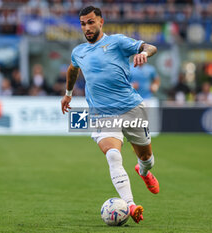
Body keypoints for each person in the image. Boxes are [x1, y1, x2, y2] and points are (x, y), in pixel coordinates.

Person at [60, 6, 159, 224]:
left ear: (101, 22)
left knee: (147, 158)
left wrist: (143, 53)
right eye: (83, 24)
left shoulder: (117, 42)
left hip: (131, 107)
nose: (87, 27)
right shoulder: (79, 52)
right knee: (113, 155)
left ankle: (144, 172)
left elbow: (150, 47)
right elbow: (72, 69)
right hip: (101, 113)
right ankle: (131, 206)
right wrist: (68, 94)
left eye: (91, 22)